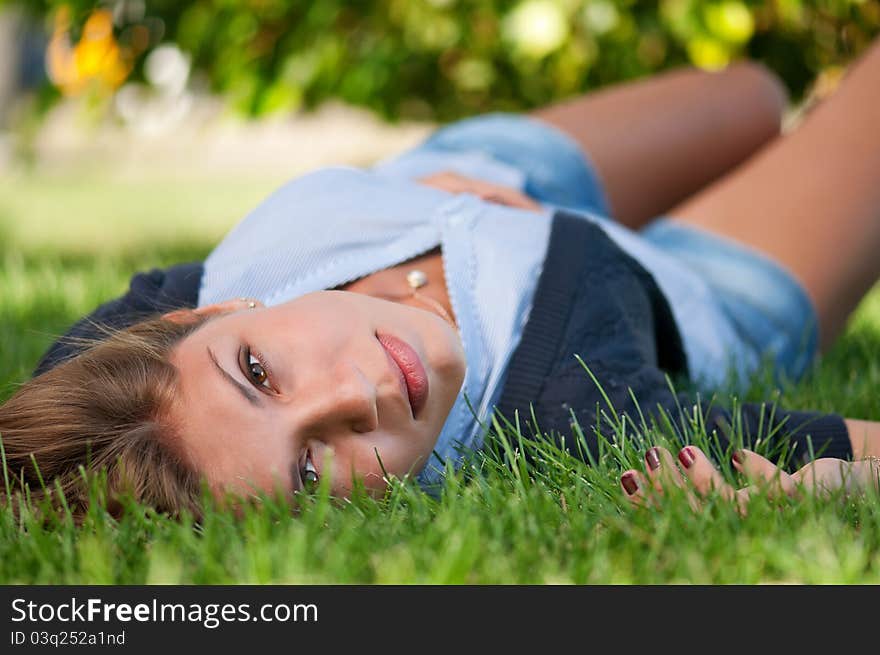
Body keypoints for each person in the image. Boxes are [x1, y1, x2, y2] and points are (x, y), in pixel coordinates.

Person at [2, 38, 880, 519]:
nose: (353, 394)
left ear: (215, 310)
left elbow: (48, 415)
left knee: (754, 93)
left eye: (261, 373)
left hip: (468, 172)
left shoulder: (162, 343)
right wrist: (831, 483)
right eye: (309, 471)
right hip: (688, 282)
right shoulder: (570, 413)